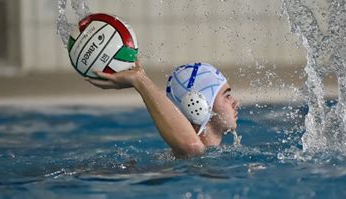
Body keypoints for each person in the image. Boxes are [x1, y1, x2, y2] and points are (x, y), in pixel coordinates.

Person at [86, 62, 240, 158]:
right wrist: (139, 80)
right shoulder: (192, 154)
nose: (235, 102)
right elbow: (191, 147)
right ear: (197, 104)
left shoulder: (220, 153)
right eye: (226, 96)